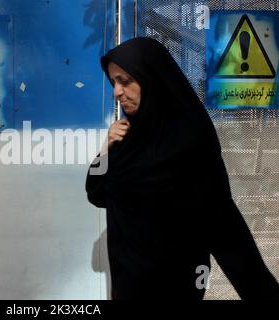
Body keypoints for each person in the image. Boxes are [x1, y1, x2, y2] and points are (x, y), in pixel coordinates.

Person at [86, 37, 279, 300]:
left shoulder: (188, 142)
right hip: (127, 290)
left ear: (151, 78)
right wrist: (105, 150)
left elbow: (226, 230)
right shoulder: (127, 138)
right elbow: (96, 194)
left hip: (176, 288)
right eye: (114, 82)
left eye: (125, 81)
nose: (116, 92)